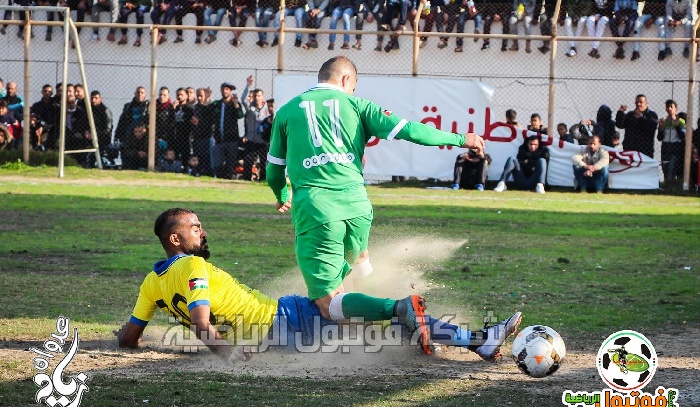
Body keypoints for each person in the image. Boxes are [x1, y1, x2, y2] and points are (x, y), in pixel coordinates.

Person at [266, 57, 488, 354]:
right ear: (346, 81)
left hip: (317, 209)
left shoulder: (286, 112)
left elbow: (273, 172)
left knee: (328, 303)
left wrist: (281, 195)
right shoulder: (359, 107)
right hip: (358, 207)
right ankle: (381, 334)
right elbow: (411, 130)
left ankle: (398, 309)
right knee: (358, 261)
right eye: (354, 87)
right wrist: (462, 138)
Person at [114, 208, 522, 361]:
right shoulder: (192, 268)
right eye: (194, 227)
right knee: (334, 301)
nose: (202, 232)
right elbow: (203, 324)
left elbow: (130, 338)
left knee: (383, 331)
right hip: (284, 319)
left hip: (276, 334)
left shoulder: (153, 282)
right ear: (175, 239)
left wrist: (132, 340)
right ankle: (457, 333)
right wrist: (229, 354)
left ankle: (476, 341)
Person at [210, 82, 244, 179]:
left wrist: (236, 104)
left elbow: (240, 115)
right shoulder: (217, 104)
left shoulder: (235, 104)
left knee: (230, 165)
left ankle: (228, 181)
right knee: (218, 165)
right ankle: (220, 180)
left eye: (227, 89)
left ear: (230, 91)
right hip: (219, 139)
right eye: (223, 89)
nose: (225, 91)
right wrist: (207, 98)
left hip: (232, 140)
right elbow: (207, 111)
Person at [241, 76, 270, 181]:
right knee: (248, 161)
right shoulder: (250, 108)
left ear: (262, 97)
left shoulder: (267, 109)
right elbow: (243, 99)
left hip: (263, 140)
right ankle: (246, 179)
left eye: (259, 95)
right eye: (255, 96)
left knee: (264, 161)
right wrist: (248, 85)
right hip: (251, 140)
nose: (257, 97)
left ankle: (263, 180)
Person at [657, 99, 685, 182]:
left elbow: (682, 137)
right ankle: (667, 186)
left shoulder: (681, 121)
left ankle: (671, 186)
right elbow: (659, 138)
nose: (669, 109)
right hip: (665, 147)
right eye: (667, 107)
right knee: (665, 169)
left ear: (676, 109)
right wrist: (661, 129)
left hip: (675, 148)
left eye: (671, 107)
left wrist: (677, 126)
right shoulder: (664, 122)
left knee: (671, 170)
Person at [191, 87, 214, 176]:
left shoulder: (210, 107)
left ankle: (208, 173)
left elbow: (210, 122)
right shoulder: (196, 107)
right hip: (197, 137)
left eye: (201, 96)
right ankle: (197, 172)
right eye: (198, 96)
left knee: (207, 158)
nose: (199, 98)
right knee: (197, 157)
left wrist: (199, 122)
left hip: (207, 137)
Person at [30, 84, 58, 150]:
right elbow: (34, 117)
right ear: (42, 92)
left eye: (49, 91)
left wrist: (44, 127)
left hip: (51, 128)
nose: (47, 93)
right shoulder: (36, 105)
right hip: (38, 128)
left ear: (52, 93)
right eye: (45, 91)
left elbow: (54, 119)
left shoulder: (55, 105)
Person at [172, 87, 195, 163]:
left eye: (181, 95)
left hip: (186, 136)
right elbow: (170, 121)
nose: (179, 96)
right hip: (175, 136)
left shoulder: (190, 108)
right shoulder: (175, 108)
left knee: (185, 156)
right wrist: (173, 109)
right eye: (178, 95)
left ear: (186, 96)